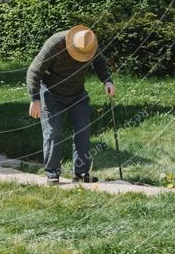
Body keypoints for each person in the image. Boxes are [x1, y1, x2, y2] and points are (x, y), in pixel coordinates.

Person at [26, 24, 115, 185]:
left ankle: (81, 173)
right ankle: (52, 173)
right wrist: (35, 100)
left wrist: (107, 81)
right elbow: (34, 71)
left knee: (83, 131)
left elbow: (100, 63)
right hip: (52, 94)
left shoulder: (89, 43)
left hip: (77, 93)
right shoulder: (55, 44)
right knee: (53, 133)